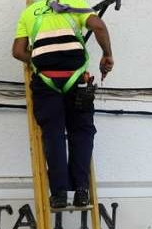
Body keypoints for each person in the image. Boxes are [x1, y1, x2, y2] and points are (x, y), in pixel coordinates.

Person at [12, 0, 114, 209]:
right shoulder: (74, 3)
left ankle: (58, 194)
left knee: (53, 134)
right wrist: (107, 54)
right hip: (76, 79)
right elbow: (99, 26)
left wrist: (36, 59)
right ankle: (81, 191)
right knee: (82, 131)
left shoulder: (29, 13)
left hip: (46, 82)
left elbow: (17, 51)